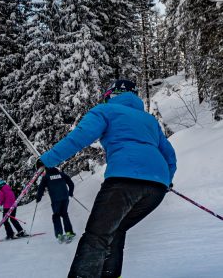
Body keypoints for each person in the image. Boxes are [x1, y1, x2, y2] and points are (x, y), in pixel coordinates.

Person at [36, 80, 177, 278]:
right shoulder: (149, 120)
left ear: (111, 94)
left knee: (97, 236)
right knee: (116, 230)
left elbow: (80, 137)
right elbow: (169, 155)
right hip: (156, 188)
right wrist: (166, 179)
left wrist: (48, 160)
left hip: (123, 181)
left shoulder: (105, 111)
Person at [36, 167, 75, 244]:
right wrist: (70, 192)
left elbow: (41, 188)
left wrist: (38, 198)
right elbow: (71, 183)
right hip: (65, 198)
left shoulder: (46, 177)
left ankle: (59, 234)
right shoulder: (61, 174)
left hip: (55, 200)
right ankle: (69, 232)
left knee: (56, 215)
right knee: (64, 214)